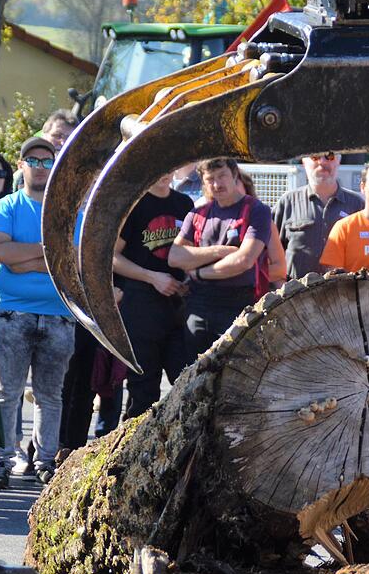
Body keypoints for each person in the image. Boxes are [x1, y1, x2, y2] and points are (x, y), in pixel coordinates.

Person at [0, 136, 79, 488]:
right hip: (13, 314)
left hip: (59, 314)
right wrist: (46, 253)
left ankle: (44, 462)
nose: (40, 167)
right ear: (21, 164)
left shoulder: (70, 210)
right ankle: (3, 461)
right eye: (33, 161)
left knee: (49, 395)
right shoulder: (6, 206)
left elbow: (71, 259)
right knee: (6, 393)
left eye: (46, 161)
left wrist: (24, 259)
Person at [112, 171, 195, 420]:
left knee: (187, 381)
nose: (164, 174)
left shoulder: (184, 204)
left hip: (178, 306)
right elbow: (112, 257)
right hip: (141, 303)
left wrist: (189, 278)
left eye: (169, 167)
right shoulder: (133, 203)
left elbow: (193, 250)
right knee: (143, 390)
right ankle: (132, 453)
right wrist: (152, 277)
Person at [170, 158, 272, 358]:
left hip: (239, 304)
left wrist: (198, 272)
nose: (217, 184)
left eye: (222, 176)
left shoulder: (257, 210)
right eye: (210, 179)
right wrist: (221, 251)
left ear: (234, 175)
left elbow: (243, 261)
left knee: (235, 371)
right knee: (193, 370)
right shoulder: (197, 214)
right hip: (199, 304)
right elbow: (174, 257)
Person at [273, 152, 364, 279]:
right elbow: (272, 254)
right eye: (315, 157)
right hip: (295, 293)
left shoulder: (357, 205)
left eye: (329, 157)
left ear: (338, 161)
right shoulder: (288, 202)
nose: (322, 162)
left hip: (343, 293)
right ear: (304, 162)